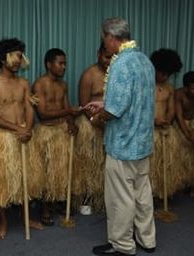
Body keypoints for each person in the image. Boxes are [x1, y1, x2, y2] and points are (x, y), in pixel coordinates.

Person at [85, 18, 156, 256]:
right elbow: (134, 98)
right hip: (143, 142)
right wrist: (103, 102)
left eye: (104, 38)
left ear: (111, 37)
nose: (104, 43)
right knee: (142, 194)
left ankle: (123, 245)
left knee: (120, 199)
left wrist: (98, 116)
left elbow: (114, 111)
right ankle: (147, 239)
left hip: (123, 145)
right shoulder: (144, 61)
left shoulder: (120, 64)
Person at [0, 38, 43, 239]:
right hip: (4, 138)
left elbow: (29, 108)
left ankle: (26, 218)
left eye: (20, 55)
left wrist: (28, 128)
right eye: (15, 55)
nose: (18, 60)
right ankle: (4, 222)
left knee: (26, 179)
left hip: (24, 135)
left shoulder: (24, 83)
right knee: (2, 182)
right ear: (3, 58)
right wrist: (17, 128)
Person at [31, 48, 81, 225]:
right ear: (48, 64)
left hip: (61, 131)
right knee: (46, 172)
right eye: (60, 63)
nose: (64, 67)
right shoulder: (39, 85)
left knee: (61, 170)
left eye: (65, 63)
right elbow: (43, 114)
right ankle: (45, 208)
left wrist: (71, 123)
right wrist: (68, 111)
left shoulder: (63, 85)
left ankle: (59, 201)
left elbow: (66, 108)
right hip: (46, 132)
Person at [75, 42, 112, 212]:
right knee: (89, 164)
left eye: (112, 57)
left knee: (107, 165)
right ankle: (87, 199)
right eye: (106, 57)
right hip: (90, 125)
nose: (108, 61)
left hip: (110, 124)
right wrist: (94, 120)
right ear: (98, 53)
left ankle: (104, 200)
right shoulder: (89, 75)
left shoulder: (116, 74)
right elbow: (83, 105)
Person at [149, 49, 184, 199]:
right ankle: (148, 194)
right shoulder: (145, 85)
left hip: (164, 131)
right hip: (148, 131)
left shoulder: (170, 88)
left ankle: (160, 195)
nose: (165, 77)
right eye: (162, 73)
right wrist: (152, 121)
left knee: (163, 166)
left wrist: (168, 120)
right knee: (149, 166)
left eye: (168, 74)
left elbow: (171, 109)